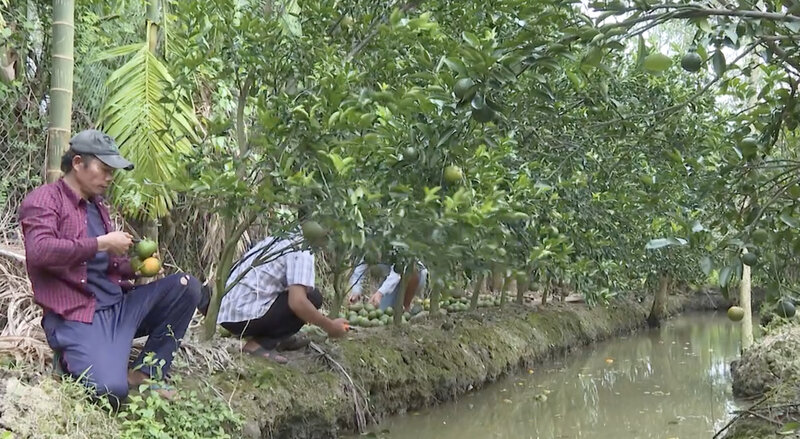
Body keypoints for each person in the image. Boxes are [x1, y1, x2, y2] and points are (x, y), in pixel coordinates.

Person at [19, 129, 202, 407]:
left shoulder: (98, 205)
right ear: (78, 163)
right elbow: (40, 252)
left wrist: (135, 268)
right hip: (77, 317)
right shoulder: (44, 200)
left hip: (118, 305)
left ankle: (146, 373)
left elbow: (103, 265)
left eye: (112, 172)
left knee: (186, 287)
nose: (109, 177)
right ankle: (75, 356)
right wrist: (101, 243)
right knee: (109, 391)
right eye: (104, 170)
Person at [215, 233, 348, 364]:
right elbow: (298, 303)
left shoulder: (281, 236)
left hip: (227, 314)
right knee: (312, 298)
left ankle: (279, 339)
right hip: (243, 317)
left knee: (307, 294)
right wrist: (330, 326)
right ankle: (257, 345)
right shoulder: (302, 248)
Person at [348, 260, 428, 311]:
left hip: (412, 275)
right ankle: (396, 305)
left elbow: (396, 272)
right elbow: (360, 268)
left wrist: (380, 293)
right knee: (382, 311)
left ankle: (406, 305)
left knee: (412, 270)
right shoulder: (370, 244)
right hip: (389, 277)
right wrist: (356, 291)